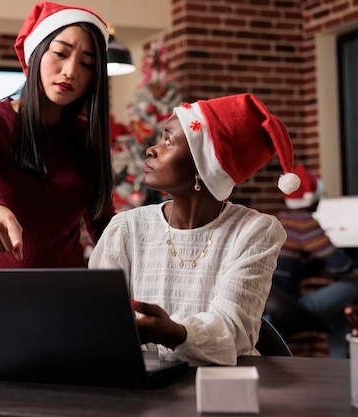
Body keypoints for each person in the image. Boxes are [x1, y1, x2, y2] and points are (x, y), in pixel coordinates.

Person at [89, 93, 301, 366]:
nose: (151, 150)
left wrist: (173, 333)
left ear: (204, 168)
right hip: (141, 386)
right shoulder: (126, 228)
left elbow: (231, 330)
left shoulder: (255, 231)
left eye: (168, 141)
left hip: (225, 388)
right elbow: (98, 315)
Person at [0, 2, 115, 268]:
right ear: (37, 53)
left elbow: (102, 222)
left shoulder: (84, 134)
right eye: (61, 53)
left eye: (86, 63)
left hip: (67, 294)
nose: (71, 71)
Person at [270, 164, 358, 357]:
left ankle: (340, 366)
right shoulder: (304, 223)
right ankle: (341, 366)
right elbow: (342, 265)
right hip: (291, 308)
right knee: (354, 283)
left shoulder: (280, 220)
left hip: (272, 305)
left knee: (338, 313)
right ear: (314, 197)